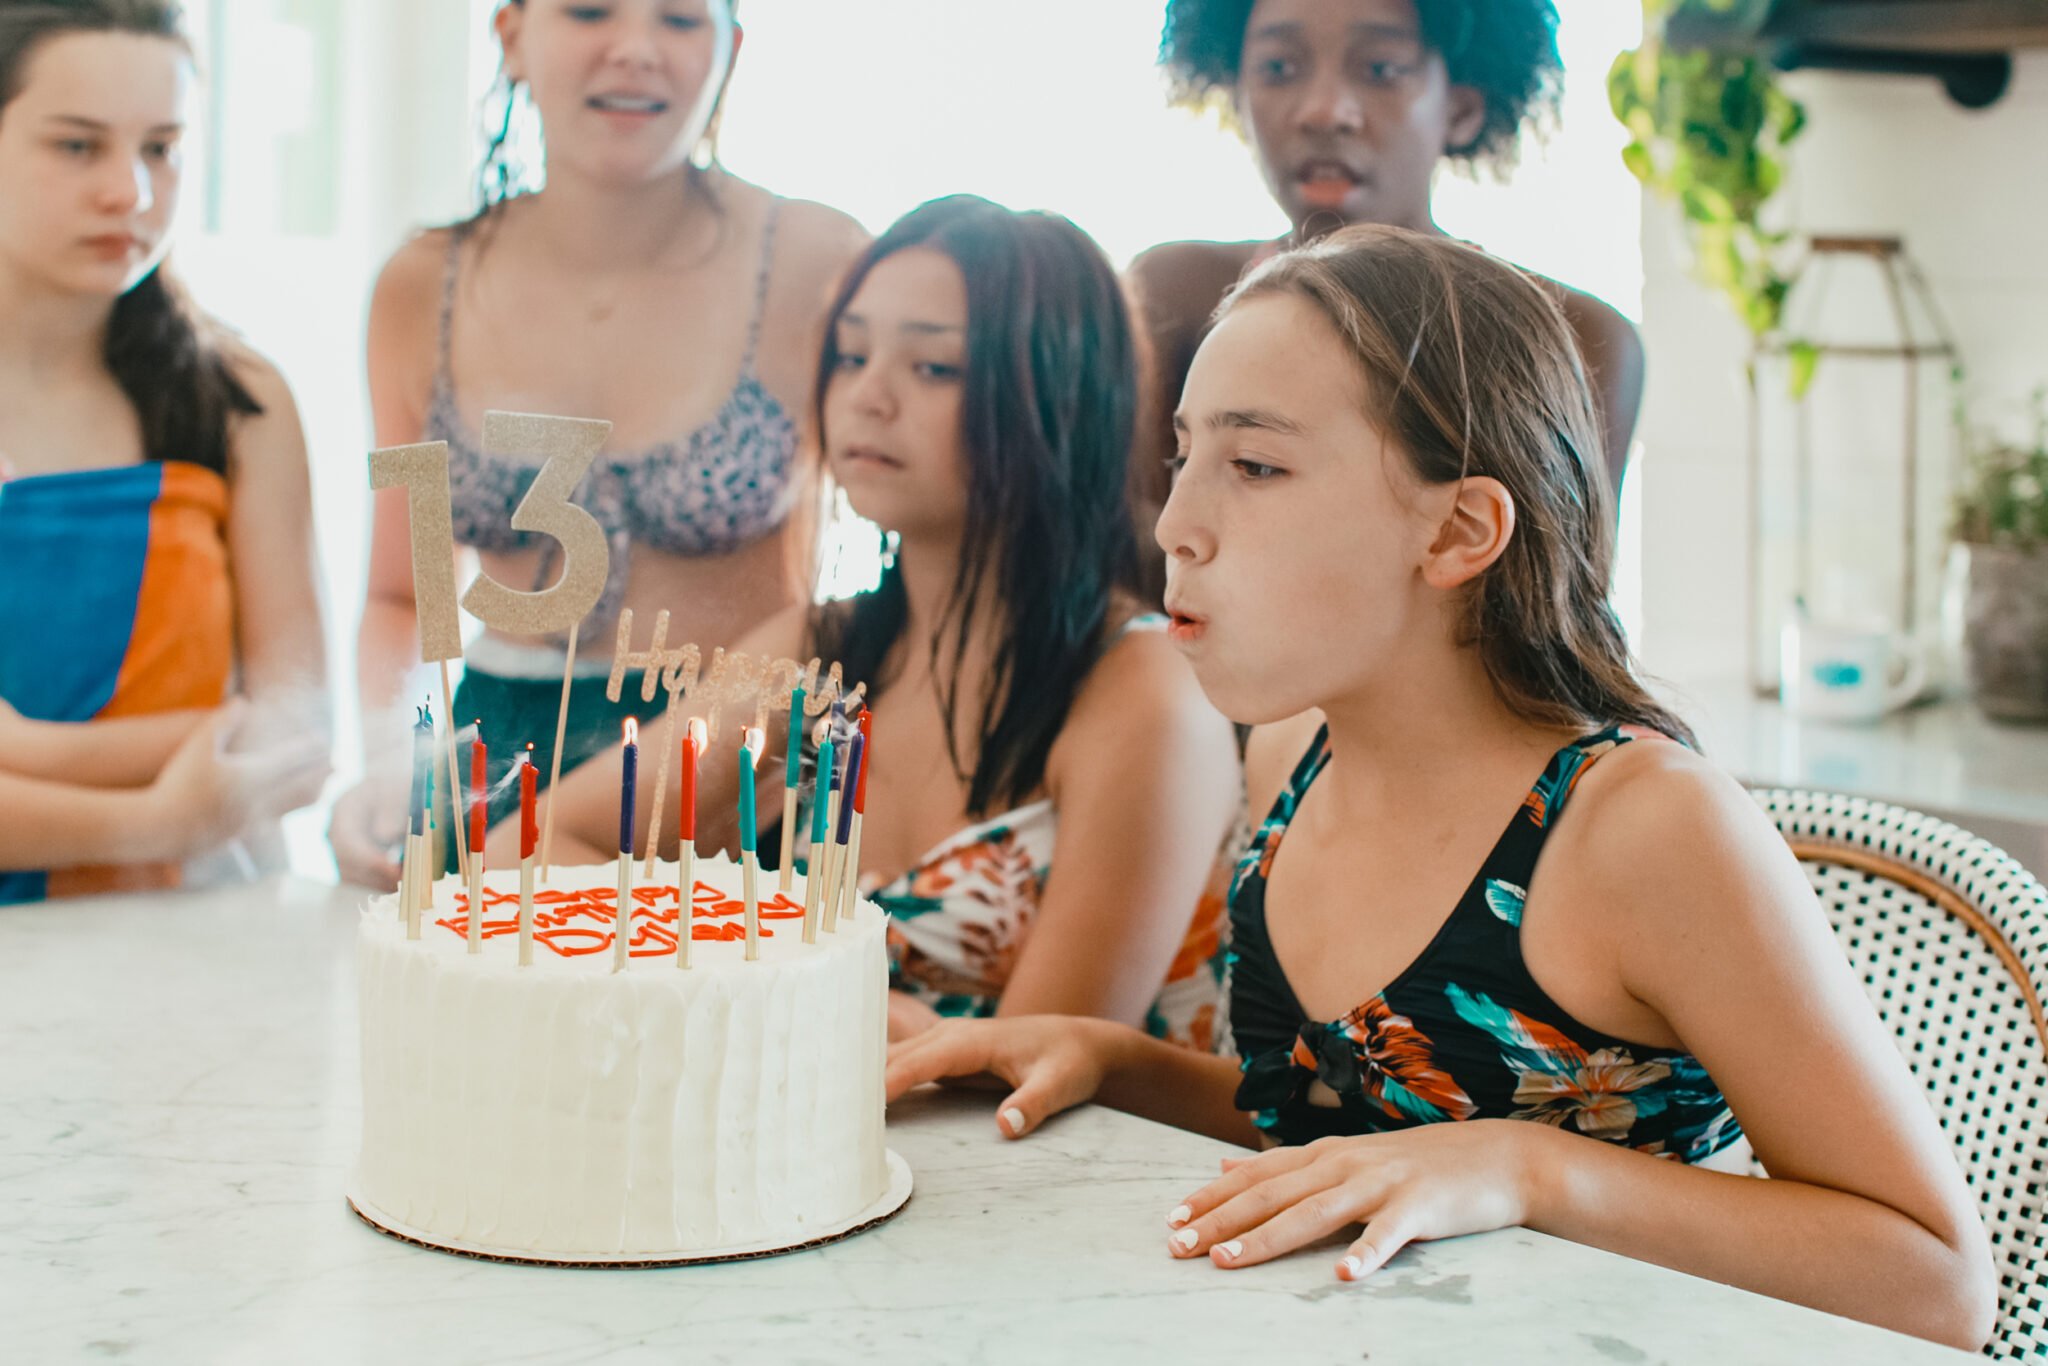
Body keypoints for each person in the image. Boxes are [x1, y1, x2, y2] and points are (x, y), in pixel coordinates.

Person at [886, 226, 1994, 1351]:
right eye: (1180, 458)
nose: (1174, 524)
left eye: (1254, 465)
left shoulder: (1641, 829)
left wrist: (1528, 1166)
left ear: (1458, 529)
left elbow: (1934, 1280)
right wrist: (1117, 1063)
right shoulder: (1289, 765)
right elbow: (1360, 1128)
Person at [508, 197, 1241, 1049]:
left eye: (934, 369)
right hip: (824, 1141)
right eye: (850, 355)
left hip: (1060, 1173)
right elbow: (523, 846)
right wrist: (750, 957)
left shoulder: (1146, 691)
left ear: (1061, 399)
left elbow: (1029, 1074)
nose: (866, 396)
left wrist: (759, 984)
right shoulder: (815, 653)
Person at [331, 0, 869, 888]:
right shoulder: (422, 284)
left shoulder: (823, 260)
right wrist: (396, 764)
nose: (636, 50)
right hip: (489, 766)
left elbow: (895, 562)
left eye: (681, 21)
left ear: (730, 51)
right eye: (589, 11)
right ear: (510, 35)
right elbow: (405, 594)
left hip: (733, 778)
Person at [1126, 0, 1643, 599]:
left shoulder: (1579, 337)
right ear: (1233, 88)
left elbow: (1564, 630)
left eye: (1380, 70)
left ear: (1462, 107)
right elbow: (1137, 591)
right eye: (1277, 67)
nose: (1324, 111)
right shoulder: (1175, 296)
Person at [0, 0, 329, 904]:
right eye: (77, 146)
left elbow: (300, 735)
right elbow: (248, 746)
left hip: (192, 942)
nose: (131, 194)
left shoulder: (236, 400)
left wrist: (21, 752)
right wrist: (169, 812)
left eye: (162, 148)